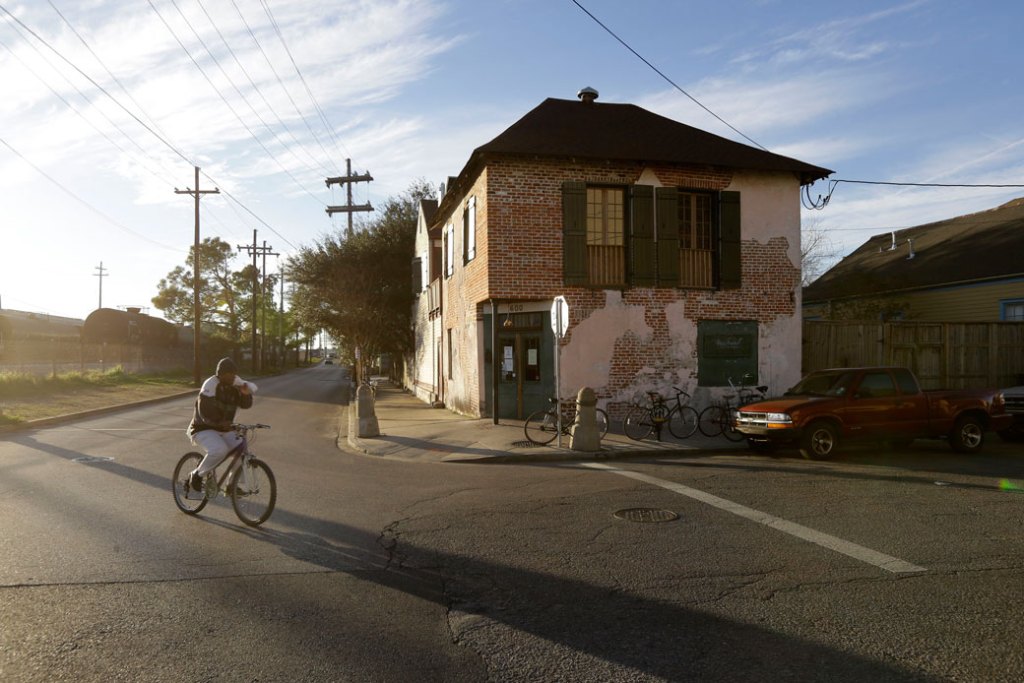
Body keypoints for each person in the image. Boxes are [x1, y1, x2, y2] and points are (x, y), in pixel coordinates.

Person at [186, 357, 257, 492]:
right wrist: (219, 422)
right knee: (219, 450)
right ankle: (197, 475)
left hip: (224, 429)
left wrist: (246, 394)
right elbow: (204, 412)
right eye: (229, 374)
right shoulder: (210, 384)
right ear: (221, 374)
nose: (232, 377)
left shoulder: (235, 386)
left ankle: (231, 486)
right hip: (203, 428)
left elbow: (246, 405)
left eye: (234, 374)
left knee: (240, 451)